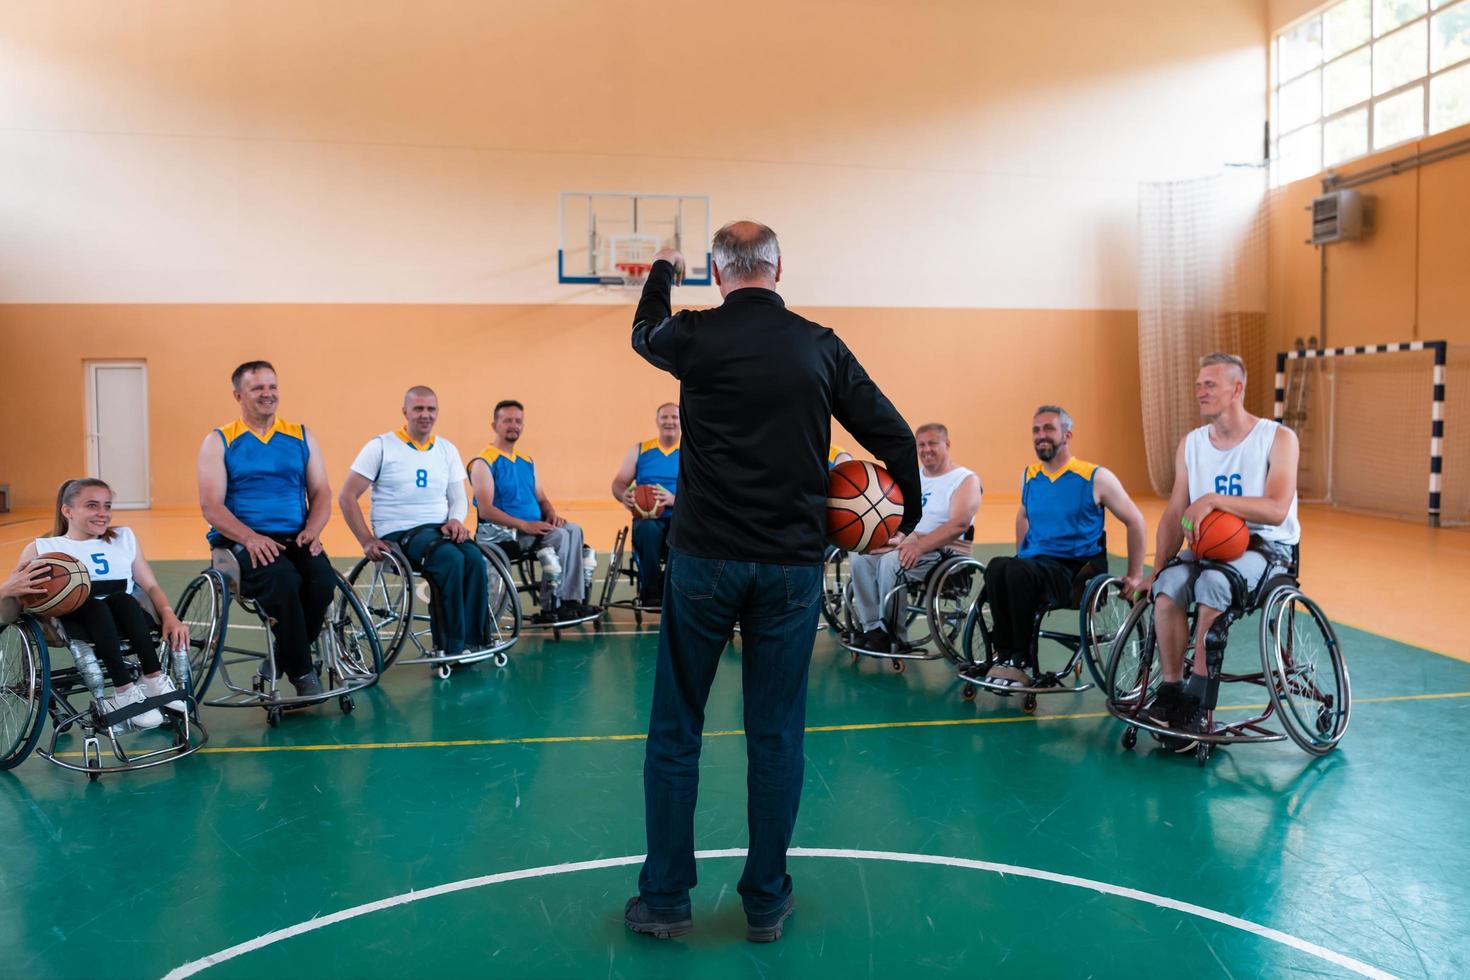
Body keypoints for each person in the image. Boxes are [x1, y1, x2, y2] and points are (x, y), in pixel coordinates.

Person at [623, 221, 921, 943]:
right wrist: (904, 510)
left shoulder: (692, 337)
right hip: (790, 568)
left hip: (702, 563)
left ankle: (665, 898)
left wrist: (663, 266)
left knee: (675, 730)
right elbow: (896, 437)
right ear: (779, 268)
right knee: (777, 735)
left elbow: (644, 331)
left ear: (720, 275)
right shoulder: (819, 345)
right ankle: (765, 899)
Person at [1147, 352, 1300, 746]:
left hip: (1267, 549)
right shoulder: (1192, 444)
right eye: (1198, 385)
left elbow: (1277, 508)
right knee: (1167, 589)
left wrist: (1215, 500)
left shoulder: (1278, 438)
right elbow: (1175, 512)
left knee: (1212, 584)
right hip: (1208, 546)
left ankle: (1197, 698)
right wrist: (1156, 568)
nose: (1200, 391)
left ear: (1237, 389)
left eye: (1209, 385)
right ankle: (1170, 689)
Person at [980, 405, 1146, 685]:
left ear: (1067, 434)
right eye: (1035, 430)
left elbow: (1135, 520)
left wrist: (1135, 574)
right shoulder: (1030, 476)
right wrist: (1021, 555)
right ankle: (1004, 653)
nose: (1040, 435)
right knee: (998, 566)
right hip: (1036, 564)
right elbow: (1023, 514)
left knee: (1019, 572)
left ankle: (1020, 658)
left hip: (1074, 570)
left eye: (1048, 428)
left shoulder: (1095, 476)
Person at [197, 360, 335, 696]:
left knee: (322, 580)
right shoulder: (219, 441)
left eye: (272, 387)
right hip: (240, 540)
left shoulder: (301, 435)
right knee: (283, 579)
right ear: (238, 395)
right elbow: (211, 506)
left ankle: (285, 656)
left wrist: (314, 528)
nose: (267, 394)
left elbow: (321, 492)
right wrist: (249, 537)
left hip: (295, 535)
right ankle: (302, 672)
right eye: (258, 388)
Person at [17, 479, 189, 731]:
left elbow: (150, 585)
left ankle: (153, 677)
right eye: (92, 505)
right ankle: (123, 691)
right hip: (76, 621)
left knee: (122, 599)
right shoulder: (44, 548)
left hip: (125, 617)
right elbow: (20, 592)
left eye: (107, 506)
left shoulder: (123, 537)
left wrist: (169, 615)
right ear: (68, 511)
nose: (103, 513)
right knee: (96, 606)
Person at [339, 386, 489, 660]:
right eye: (418, 409)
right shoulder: (381, 446)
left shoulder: (446, 449)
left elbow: (459, 498)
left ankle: (475, 640)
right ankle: (451, 646)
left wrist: (456, 519)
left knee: (475, 558)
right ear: (405, 411)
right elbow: (347, 496)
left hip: (437, 531)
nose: (425, 415)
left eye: (431, 409)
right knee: (449, 560)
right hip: (398, 533)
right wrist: (366, 540)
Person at [848, 423, 981, 651]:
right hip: (907, 542)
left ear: (947, 444)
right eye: (921, 445)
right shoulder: (913, 477)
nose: (926, 449)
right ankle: (872, 629)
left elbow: (958, 524)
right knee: (860, 555)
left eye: (933, 443)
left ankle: (893, 636)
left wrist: (919, 546)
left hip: (944, 551)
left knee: (893, 561)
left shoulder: (965, 479)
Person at [468, 400, 598, 624]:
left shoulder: (526, 461)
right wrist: (524, 525)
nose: (514, 425)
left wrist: (551, 513)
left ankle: (570, 601)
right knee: (560, 536)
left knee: (573, 530)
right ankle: (551, 606)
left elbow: (542, 499)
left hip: (533, 529)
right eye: (507, 420)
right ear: (494, 425)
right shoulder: (483, 462)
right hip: (503, 534)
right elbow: (487, 510)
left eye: (518, 421)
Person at [610, 402, 681, 606]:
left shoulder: (691, 451)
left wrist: (674, 499)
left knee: (687, 532)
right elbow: (619, 483)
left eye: (674, 417)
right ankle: (651, 590)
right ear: (657, 421)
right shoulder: (640, 450)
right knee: (647, 529)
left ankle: (674, 588)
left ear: (682, 420)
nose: (669, 421)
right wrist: (624, 495)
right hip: (649, 519)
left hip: (681, 518)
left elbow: (703, 490)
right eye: (665, 417)